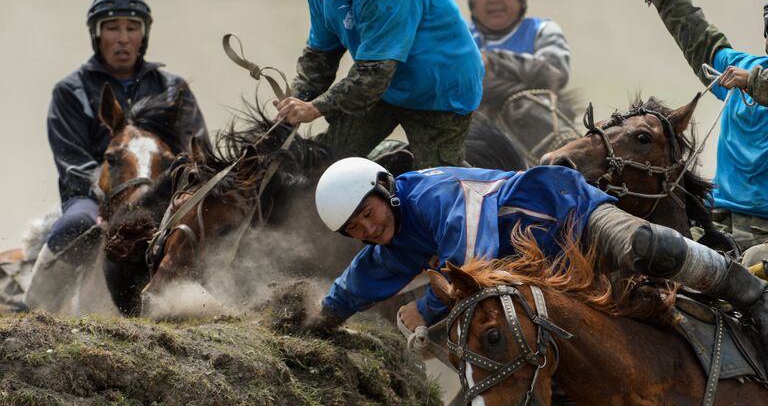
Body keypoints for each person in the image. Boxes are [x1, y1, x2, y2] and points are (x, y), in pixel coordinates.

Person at [308, 157, 768, 352]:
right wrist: (318, 322)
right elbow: (356, 284)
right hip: (543, 274)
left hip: (574, 218)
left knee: (653, 247)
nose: (368, 229)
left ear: (385, 190)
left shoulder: (433, 194)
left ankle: (751, 293)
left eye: (367, 214)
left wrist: (425, 307)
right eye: (355, 229)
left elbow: (471, 261)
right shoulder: (390, 238)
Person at [275, 0, 484, 169]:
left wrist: (314, 108)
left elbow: (372, 78)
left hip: (440, 90)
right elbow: (319, 58)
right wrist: (294, 105)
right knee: (326, 162)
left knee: (434, 188)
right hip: (387, 89)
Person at [46, 0, 207, 257]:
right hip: (94, 196)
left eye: (132, 28)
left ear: (143, 35)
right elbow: (72, 161)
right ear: (97, 35)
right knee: (73, 228)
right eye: (111, 28)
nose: (123, 38)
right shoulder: (70, 91)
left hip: (165, 194)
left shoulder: (172, 88)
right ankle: (36, 298)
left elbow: (195, 149)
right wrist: (113, 198)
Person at [627, 0, 768, 251]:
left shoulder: (747, 76)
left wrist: (752, 82)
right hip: (716, 218)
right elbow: (702, 41)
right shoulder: (741, 67)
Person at [465, 0, 571, 92]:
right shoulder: (459, 37)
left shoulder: (542, 31)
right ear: (472, 2)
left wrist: (491, 62)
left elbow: (556, 74)